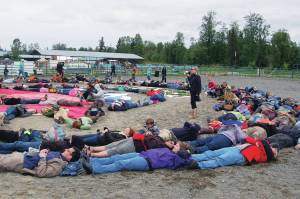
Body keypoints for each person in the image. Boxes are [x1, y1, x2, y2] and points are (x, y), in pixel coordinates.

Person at [82, 142, 192, 175]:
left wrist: (183, 152)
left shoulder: (177, 158)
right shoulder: (168, 150)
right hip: (142, 155)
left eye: (176, 145)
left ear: (180, 150)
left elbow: (186, 160)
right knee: (117, 157)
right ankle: (94, 160)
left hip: (147, 162)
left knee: (121, 164)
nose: (174, 145)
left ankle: (95, 169)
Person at [191, 137, 279, 170]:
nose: (274, 150)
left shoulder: (267, 156)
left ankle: (199, 165)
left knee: (220, 160)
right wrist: (258, 142)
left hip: (242, 156)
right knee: (213, 153)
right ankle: (191, 157)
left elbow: (267, 151)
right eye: (274, 148)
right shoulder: (261, 144)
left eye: (275, 151)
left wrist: (259, 143)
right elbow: (247, 138)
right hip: (237, 148)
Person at [84, 129, 177, 158]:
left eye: (172, 143)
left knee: (115, 150)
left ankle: (92, 154)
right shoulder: (159, 138)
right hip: (134, 139)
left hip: (136, 146)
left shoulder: (163, 147)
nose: (170, 142)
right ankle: (91, 148)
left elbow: (150, 147)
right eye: (170, 140)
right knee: (112, 145)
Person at [0, 147, 80, 177]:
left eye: (68, 151)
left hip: (22, 162)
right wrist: (44, 152)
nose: (65, 149)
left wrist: (42, 157)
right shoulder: (59, 156)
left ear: (70, 157)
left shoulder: (59, 165)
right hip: (24, 156)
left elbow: (42, 172)